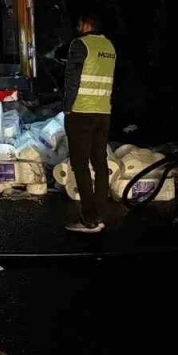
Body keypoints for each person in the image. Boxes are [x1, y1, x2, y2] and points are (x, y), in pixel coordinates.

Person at [63, 13, 117, 233]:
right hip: (103, 112)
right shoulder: (110, 47)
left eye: (79, 23)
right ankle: (101, 213)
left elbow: (72, 78)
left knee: (80, 164)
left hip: (81, 112)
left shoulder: (80, 44)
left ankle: (89, 219)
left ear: (87, 24)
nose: (78, 27)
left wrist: (67, 106)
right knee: (100, 162)